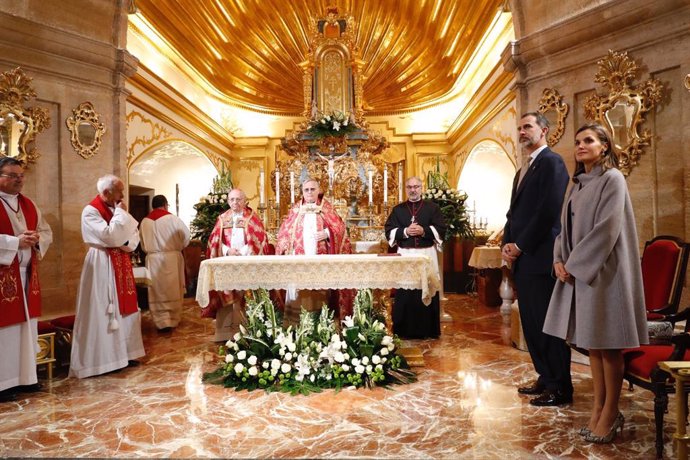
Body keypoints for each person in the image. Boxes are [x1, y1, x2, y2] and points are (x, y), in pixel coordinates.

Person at [543, 123, 647, 443]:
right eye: (577, 141)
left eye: (588, 140)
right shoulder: (576, 184)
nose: (581, 145)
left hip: (605, 274)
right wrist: (559, 260)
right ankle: (598, 409)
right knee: (594, 348)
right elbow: (563, 229)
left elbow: (607, 229)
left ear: (604, 146)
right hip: (581, 275)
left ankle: (611, 411)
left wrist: (574, 265)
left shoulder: (612, 179)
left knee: (608, 345)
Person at [502, 111, 571, 406]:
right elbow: (513, 213)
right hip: (523, 258)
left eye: (527, 126)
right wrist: (506, 243)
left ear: (544, 131)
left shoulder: (552, 162)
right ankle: (545, 375)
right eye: (519, 127)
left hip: (541, 256)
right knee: (531, 322)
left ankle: (560, 387)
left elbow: (548, 211)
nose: (522, 131)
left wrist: (520, 245)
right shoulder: (523, 169)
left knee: (547, 324)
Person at [70, 174, 145, 378]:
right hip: (102, 262)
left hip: (120, 260)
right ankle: (103, 360)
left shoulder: (117, 210)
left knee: (124, 309)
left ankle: (124, 354)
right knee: (103, 308)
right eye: (119, 190)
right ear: (106, 192)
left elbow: (133, 239)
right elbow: (110, 236)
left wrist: (122, 238)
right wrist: (120, 222)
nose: (122, 195)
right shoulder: (91, 211)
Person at [0, 157, 52, 402]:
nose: (18, 179)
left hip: (26, 275)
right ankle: (3, 383)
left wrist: (37, 239)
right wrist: (14, 242)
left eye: (20, 175)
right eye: (12, 175)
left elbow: (46, 230)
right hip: (3, 277)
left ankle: (26, 378)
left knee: (27, 329)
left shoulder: (29, 204)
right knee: (6, 332)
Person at [275, 178, 352, 323]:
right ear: (302, 192)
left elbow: (340, 229)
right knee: (300, 292)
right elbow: (284, 232)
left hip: (320, 261)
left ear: (319, 191)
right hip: (298, 261)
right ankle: (296, 324)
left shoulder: (326, 208)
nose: (309, 192)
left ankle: (321, 324)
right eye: (306, 190)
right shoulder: (296, 209)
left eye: (312, 189)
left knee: (319, 291)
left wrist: (328, 234)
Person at [202, 188, 269, 341]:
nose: (235, 203)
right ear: (228, 201)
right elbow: (213, 241)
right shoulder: (222, 218)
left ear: (245, 201)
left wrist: (244, 251)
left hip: (246, 262)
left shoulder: (252, 218)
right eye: (232, 199)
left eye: (238, 199)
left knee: (246, 295)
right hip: (226, 263)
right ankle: (225, 333)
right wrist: (227, 251)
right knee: (225, 293)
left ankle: (248, 332)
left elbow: (260, 239)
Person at [384, 176, 445, 339]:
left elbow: (441, 229)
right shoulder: (398, 210)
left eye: (416, 186)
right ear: (406, 189)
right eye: (410, 187)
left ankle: (428, 330)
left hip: (427, 255)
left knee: (427, 289)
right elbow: (388, 231)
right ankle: (403, 330)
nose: (413, 190)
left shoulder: (433, 208)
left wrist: (424, 231)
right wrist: (405, 231)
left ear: (421, 188)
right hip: (406, 255)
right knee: (406, 291)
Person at [139, 194, 190, 332]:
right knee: (172, 288)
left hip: (153, 260)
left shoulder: (144, 222)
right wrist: (176, 247)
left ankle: (160, 321)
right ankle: (172, 320)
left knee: (157, 290)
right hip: (171, 259)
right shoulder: (173, 219)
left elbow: (142, 244)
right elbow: (186, 237)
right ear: (166, 204)